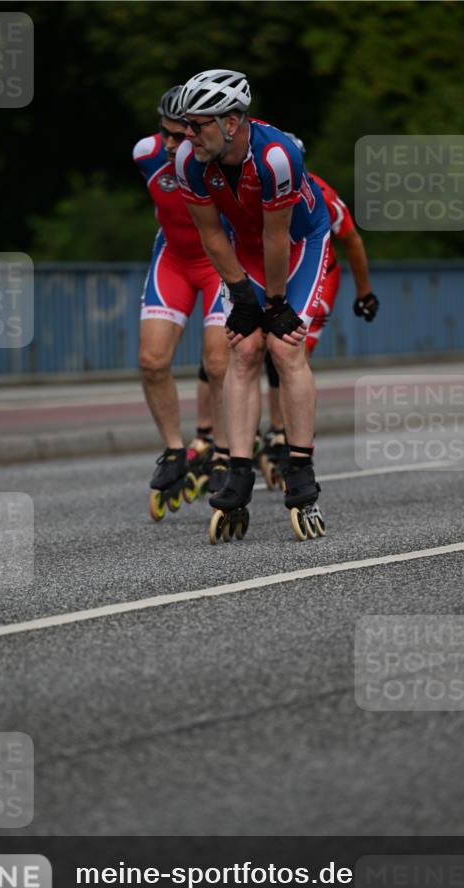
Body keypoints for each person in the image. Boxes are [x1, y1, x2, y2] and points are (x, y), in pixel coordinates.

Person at [176, 69, 329, 541]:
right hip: (245, 248)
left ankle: (300, 469)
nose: (187, 134)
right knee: (242, 349)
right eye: (184, 124)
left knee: (284, 347)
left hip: (299, 246)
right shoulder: (189, 160)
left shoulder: (277, 156)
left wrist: (276, 304)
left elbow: (277, 237)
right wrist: (242, 294)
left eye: (197, 124)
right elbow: (211, 235)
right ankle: (238, 471)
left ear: (231, 122)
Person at [260, 132, 379, 488]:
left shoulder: (322, 193)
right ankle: (274, 430)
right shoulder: (260, 189)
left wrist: (364, 292)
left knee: (291, 350)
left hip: (320, 276)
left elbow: (352, 240)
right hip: (278, 277)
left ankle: (290, 436)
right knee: (262, 352)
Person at [134, 86, 230, 520]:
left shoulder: (220, 159)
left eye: (181, 134)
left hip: (219, 264)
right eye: (165, 133)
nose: (171, 143)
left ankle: (226, 452)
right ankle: (174, 451)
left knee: (219, 363)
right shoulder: (146, 154)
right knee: (152, 361)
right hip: (173, 259)